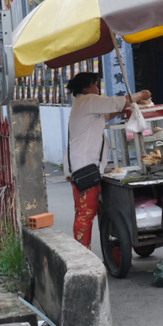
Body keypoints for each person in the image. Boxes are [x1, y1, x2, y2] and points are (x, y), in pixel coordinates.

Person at [64, 72, 151, 249]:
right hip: (85, 168)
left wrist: (125, 108)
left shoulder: (83, 105)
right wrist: (141, 95)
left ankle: (83, 252)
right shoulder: (88, 100)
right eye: (95, 85)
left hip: (83, 166)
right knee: (85, 213)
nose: (97, 89)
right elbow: (116, 102)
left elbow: (108, 114)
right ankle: (82, 256)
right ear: (85, 88)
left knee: (84, 212)